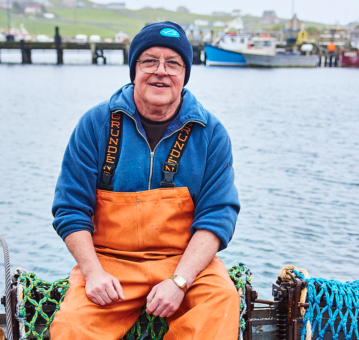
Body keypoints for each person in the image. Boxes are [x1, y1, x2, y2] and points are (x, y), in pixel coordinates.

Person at [50, 21, 241, 340]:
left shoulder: (211, 134)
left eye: (173, 63)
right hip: (109, 264)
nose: (160, 71)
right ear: (134, 69)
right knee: (71, 327)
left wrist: (180, 282)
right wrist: (93, 273)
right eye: (149, 60)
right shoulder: (95, 125)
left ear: (185, 74)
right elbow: (70, 210)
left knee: (220, 302)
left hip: (187, 263)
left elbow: (218, 216)